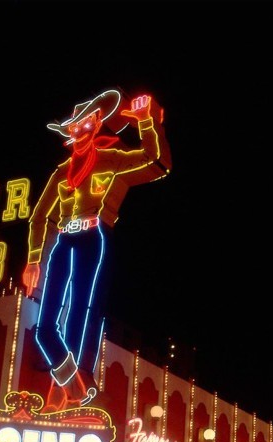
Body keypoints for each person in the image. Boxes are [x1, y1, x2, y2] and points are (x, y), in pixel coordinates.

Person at [22, 88, 172, 413]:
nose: (79, 129)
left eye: (85, 123)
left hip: (92, 236)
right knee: (45, 328)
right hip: (63, 242)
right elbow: (39, 217)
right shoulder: (61, 172)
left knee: (80, 312)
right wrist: (34, 260)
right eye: (74, 125)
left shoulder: (110, 159)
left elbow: (157, 163)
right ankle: (75, 388)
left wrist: (148, 123)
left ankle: (61, 394)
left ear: (96, 123)